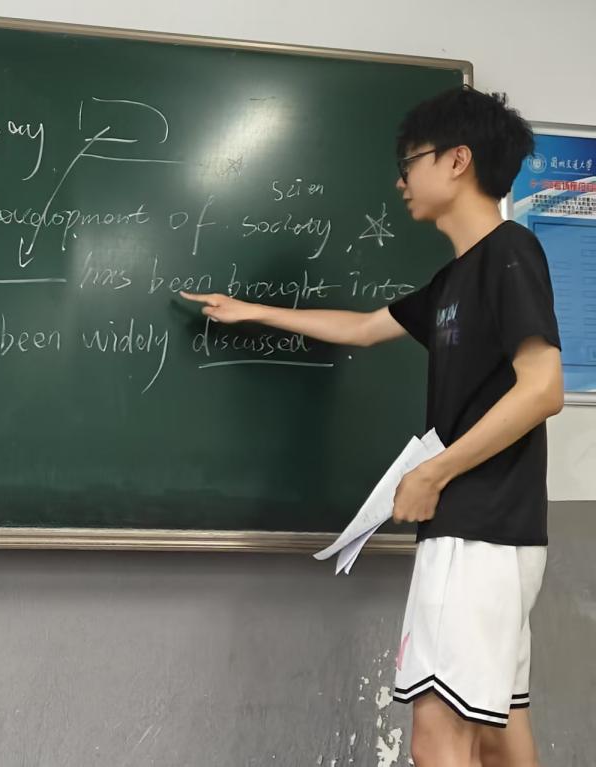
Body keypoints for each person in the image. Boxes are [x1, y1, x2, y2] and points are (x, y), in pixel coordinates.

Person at [181, 85, 563, 767]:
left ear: (457, 161)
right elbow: (362, 327)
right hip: (489, 534)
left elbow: (542, 388)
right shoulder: (455, 280)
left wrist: (434, 473)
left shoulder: (510, 252)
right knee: (501, 734)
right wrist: (251, 310)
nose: (399, 180)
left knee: (438, 739)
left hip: (478, 529)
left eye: (409, 162)